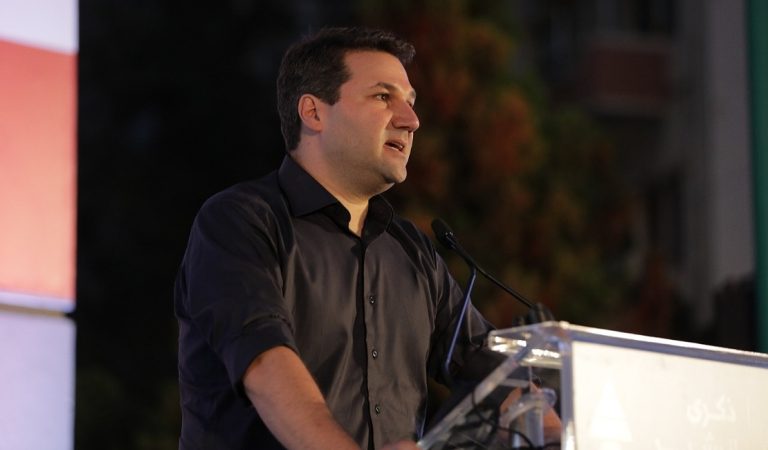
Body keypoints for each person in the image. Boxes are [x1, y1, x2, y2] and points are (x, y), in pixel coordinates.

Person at [174, 27, 554, 450]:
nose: (411, 121)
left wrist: (565, 435)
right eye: (382, 96)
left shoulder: (413, 252)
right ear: (313, 112)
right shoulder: (240, 222)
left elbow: (499, 377)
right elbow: (265, 364)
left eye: (410, 103)